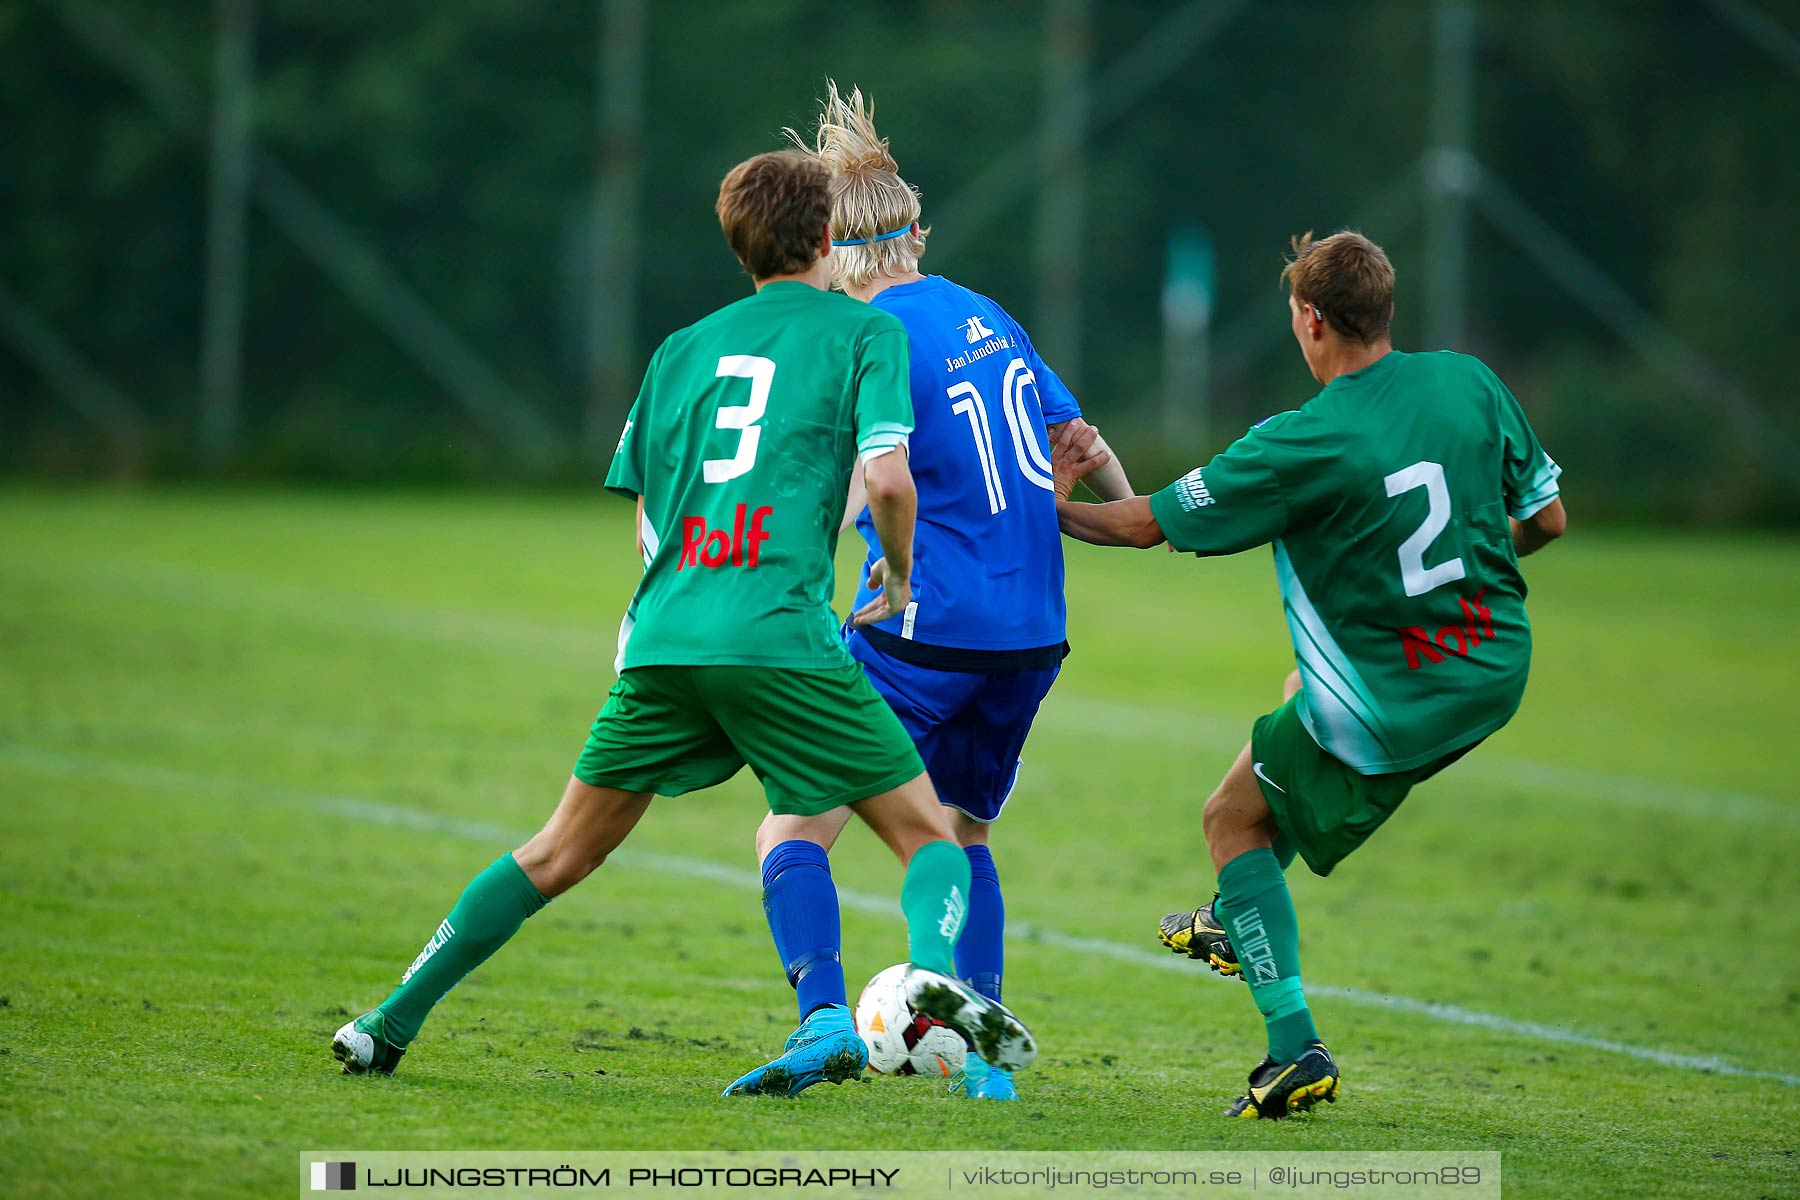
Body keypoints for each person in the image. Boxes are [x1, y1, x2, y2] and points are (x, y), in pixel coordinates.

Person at [331, 150, 1037, 1097]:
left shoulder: (680, 349)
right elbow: (889, 478)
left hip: (665, 639)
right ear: (830, 239)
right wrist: (899, 579)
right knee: (930, 839)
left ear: (738, 247)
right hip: (783, 638)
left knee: (556, 851)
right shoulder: (863, 336)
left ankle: (386, 1023)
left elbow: (647, 524)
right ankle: (921, 984)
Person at [1051, 230, 1565, 1118]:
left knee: (1230, 819)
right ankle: (1229, 916)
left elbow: (1141, 525)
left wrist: (1043, 506)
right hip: (1496, 664)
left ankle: (1294, 1050)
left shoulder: (1303, 440)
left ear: (1312, 320)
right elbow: (1546, 520)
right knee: (1297, 700)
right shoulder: (1469, 380)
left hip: (1394, 695)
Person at [734, 84, 1133, 1103]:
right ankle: (983, 1065)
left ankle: (822, 1020)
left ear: (829, 249)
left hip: (925, 628)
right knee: (963, 828)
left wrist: (854, 579)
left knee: (794, 824)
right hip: (1033, 631)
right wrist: (1124, 515)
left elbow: (871, 481)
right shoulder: (985, 312)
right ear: (918, 234)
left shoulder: (865, 340)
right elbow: (1082, 447)